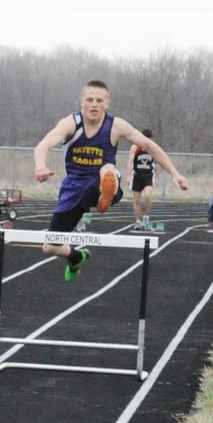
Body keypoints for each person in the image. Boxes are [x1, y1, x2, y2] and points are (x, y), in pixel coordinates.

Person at [33, 80, 189, 281]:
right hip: (74, 189)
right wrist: (40, 166)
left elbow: (148, 145)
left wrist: (175, 174)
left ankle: (106, 193)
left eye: (99, 100)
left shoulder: (115, 125)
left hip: (102, 181)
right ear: (82, 102)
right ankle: (76, 256)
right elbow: (44, 144)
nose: (94, 104)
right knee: (50, 246)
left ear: (107, 103)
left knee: (106, 169)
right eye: (90, 100)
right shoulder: (71, 123)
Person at [125, 128, 157, 229]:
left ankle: (146, 216)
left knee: (148, 196)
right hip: (137, 175)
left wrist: (158, 177)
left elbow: (158, 161)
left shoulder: (152, 147)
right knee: (137, 199)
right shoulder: (135, 147)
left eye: (149, 138)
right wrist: (129, 175)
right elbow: (130, 161)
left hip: (148, 175)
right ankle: (138, 221)